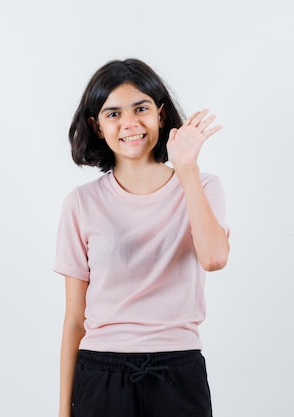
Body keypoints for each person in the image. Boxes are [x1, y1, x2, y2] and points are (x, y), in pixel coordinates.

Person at [53, 58, 230, 417]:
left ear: (161, 115)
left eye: (141, 108)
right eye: (113, 113)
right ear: (97, 126)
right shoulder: (81, 203)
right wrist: (63, 410)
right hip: (100, 373)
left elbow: (214, 258)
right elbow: (75, 316)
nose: (129, 123)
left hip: (178, 371)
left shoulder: (202, 185)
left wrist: (186, 169)